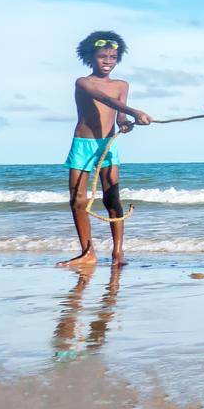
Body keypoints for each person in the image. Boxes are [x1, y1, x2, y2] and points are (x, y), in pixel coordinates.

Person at [59, 30, 150, 268]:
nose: (108, 61)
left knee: (113, 199)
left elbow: (118, 114)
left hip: (108, 146)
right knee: (78, 200)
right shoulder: (83, 82)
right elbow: (105, 100)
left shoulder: (122, 85)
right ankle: (87, 252)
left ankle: (118, 252)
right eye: (102, 56)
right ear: (91, 57)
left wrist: (125, 123)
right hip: (83, 145)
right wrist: (136, 112)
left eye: (112, 57)